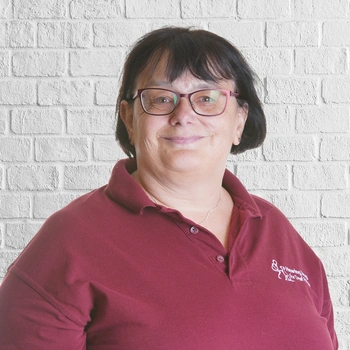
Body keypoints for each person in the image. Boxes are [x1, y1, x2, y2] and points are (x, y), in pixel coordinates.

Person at [0, 27, 338, 349]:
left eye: (206, 98)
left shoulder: (276, 229)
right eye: (161, 99)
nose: (183, 114)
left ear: (239, 121)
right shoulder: (69, 240)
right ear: (129, 120)